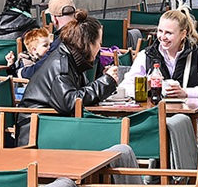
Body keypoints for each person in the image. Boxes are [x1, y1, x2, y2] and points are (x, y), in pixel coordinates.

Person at [15, 10, 120, 145]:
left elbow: (76, 96)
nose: (100, 47)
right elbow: (70, 102)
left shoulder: (72, 59)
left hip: (52, 124)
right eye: (99, 43)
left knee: (108, 135)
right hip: (38, 132)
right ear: (88, 43)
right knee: (110, 136)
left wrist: (104, 80)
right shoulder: (61, 64)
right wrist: (105, 82)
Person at [123, 10, 198, 100]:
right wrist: (145, 86)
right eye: (160, 31)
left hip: (191, 115)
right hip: (155, 113)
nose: (163, 37)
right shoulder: (147, 55)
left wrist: (186, 93)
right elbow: (124, 89)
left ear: (183, 34)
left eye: (169, 33)